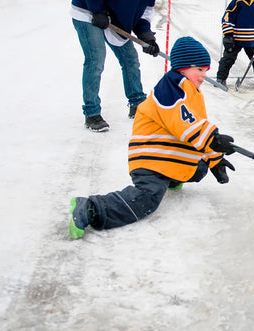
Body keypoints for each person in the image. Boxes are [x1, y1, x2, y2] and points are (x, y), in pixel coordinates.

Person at [68, 36, 237, 239]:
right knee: (147, 198)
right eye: (199, 70)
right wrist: (213, 138)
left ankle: (172, 176)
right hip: (151, 158)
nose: (203, 76)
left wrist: (214, 159)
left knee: (199, 168)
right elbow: (184, 124)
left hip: (167, 154)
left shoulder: (192, 91)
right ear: (183, 68)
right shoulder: (171, 87)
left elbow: (195, 125)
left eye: (205, 71)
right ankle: (91, 208)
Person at [71, 0, 181, 132]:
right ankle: (92, 113)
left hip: (113, 19)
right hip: (88, 11)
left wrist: (146, 35)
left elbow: (145, 11)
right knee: (96, 59)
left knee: (130, 59)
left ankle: (137, 103)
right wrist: (97, 10)